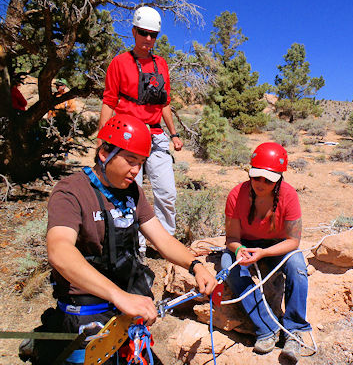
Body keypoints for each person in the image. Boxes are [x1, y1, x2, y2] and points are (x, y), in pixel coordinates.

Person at [21, 114, 217, 365]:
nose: (136, 170)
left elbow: (161, 238)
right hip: (88, 308)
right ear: (104, 153)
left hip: (125, 308)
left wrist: (195, 265)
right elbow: (59, 250)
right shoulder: (72, 191)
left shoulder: (131, 192)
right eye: (130, 160)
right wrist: (117, 295)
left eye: (141, 162)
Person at [98, 6, 183, 256]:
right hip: (127, 138)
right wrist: (102, 138)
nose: (149, 39)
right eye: (144, 33)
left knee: (166, 191)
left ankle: (165, 241)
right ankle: (134, 244)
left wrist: (174, 134)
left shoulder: (161, 65)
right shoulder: (119, 63)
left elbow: (164, 103)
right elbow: (109, 101)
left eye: (153, 35)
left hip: (156, 137)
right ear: (134, 31)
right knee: (129, 191)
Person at [220, 142, 311, 362]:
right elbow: (232, 238)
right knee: (229, 270)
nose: (261, 183)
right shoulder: (236, 195)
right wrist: (240, 249)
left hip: (277, 245)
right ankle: (266, 329)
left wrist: (263, 253)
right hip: (245, 244)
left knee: (298, 268)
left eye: (268, 179)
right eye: (256, 176)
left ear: (279, 178)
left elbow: (293, 241)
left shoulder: (288, 196)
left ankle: (294, 331)